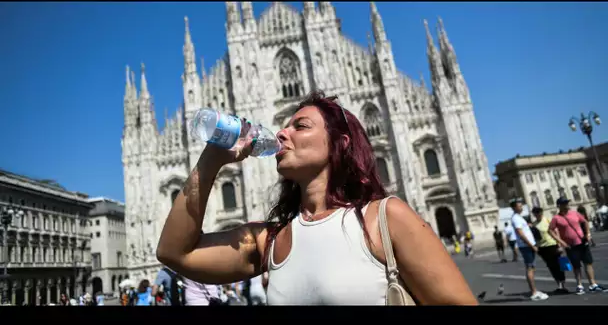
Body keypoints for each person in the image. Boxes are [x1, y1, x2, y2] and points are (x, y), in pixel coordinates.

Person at [156, 90, 477, 305]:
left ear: (340, 143)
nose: (281, 133)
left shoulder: (384, 219)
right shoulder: (269, 241)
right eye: (283, 126)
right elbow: (175, 253)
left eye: (301, 125)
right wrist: (211, 160)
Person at [549, 197, 606, 295]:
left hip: (582, 242)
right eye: (564, 203)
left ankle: (593, 284)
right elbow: (550, 230)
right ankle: (579, 285)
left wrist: (588, 233)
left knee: (588, 263)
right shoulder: (556, 218)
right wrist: (561, 242)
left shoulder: (575, 213)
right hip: (570, 245)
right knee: (576, 266)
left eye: (567, 202)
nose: (567, 204)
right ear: (559, 206)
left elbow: (585, 221)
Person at [510, 198, 549, 301]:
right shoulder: (516, 218)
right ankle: (534, 293)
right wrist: (532, 246)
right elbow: (521, 234)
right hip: (526, 246)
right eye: (519, 206)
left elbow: (523, 230)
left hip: (527, 246)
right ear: (514, 208)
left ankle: (534, 290)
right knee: (530, 268)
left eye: (521, 205)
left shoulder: (518, 217)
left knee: (531, 267)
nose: (521, 207)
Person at [531, 207, 567, 294]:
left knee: (559, 265)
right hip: (542, 248)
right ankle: (559, 285)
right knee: (551, 267)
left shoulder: (547, 220)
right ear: (534, 214)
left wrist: (559, 244)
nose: (538, 214)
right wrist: (536, 247)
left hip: (552, 245)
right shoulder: (534, 224)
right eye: (536, 213)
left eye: (540, 212)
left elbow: (556, 231)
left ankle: (563, 285)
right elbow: (535, 237)